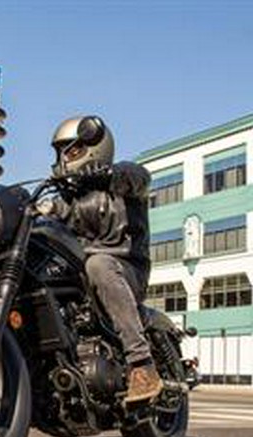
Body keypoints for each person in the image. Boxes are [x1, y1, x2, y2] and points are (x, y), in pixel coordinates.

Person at [47, 115, 163, 405]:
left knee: (97, 263)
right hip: (86, 280)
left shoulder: (124, 181)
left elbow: (137, 178)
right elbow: (49, 216)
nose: (63, 158)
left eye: (71, 150)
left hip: (126, 270)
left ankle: (141, 364)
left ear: (94, 147)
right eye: (60, 152)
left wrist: (108, 176)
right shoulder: (68, 201)